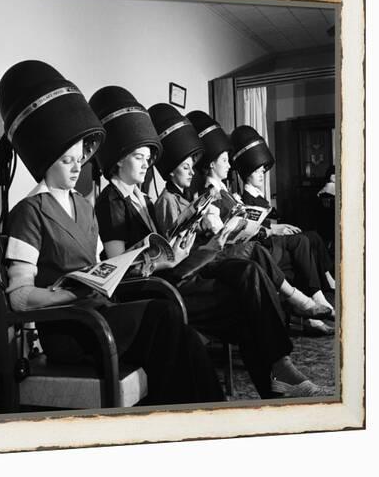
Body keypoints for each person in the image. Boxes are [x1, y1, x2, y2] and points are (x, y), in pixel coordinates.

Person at [0, 60, 225, 406]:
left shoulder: (85, 207)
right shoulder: (29, 212)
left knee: (187, 337)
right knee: (164, 318)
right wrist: (72, 296)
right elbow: (20, 297)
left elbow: (102, 265)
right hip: (72, 328)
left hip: (102, 311)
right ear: (45, 159)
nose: (76, 168)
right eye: (66, 161)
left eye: (79, 159)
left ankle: (208, 417)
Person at [91, 89, 329, 398]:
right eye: (139, 158)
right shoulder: (111, 200)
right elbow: (118, 268)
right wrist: (165, 259)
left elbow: (160, 247)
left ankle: (279, 382)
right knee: (247, 289)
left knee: (248, 287)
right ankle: (282, 376)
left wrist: (189, 242)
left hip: (174, 275)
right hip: (159, 288)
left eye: (148, 159)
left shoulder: (143, 199)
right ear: (119, 159)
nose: (146, 165)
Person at [187, 111, 332, 323]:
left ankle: (310, 308)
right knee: (294, 244)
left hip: (249, 243)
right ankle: (307, 307)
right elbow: (219, 233)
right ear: (211, 165)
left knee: (299, 243)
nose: (230, 165)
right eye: (225, 160)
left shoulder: (225, 192)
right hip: (237, 250)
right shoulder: (208, 194)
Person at [230, 125, 336, 334]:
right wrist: (274, 227)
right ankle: (316, 299)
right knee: (303, 241)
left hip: (269, 238)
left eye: (263, 172)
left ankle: (319, 294)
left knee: (309, 237)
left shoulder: (258, 196)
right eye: (258, 172)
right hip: (262, 243)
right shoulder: (243, 198)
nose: (262, 175)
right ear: (248, 173)